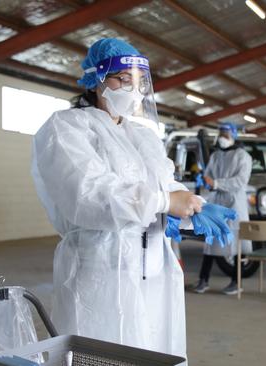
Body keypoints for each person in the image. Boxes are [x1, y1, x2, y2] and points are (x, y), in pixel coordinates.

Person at [31, 38, 201, 363]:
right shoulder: (66, 129)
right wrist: (164, 202)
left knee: (152, 348)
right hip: (100, 272)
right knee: (103, 353)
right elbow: (89, 194)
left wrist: (196, 206)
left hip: (152, 271)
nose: (131, 90)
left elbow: (165, 182)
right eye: (121, 80)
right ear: (97, 79)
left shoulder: (142, 135)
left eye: (136, 83)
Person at [194, 122, 252, 295]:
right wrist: (205, 182)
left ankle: (236, 281)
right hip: (217, 202)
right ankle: (203, 280)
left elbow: (240, 181)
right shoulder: (216, 155)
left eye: (225, 134)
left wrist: (217, 183)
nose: (222, 137)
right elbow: (209, 175)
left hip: (235, 203)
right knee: (210, 241)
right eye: (220, 133)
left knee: (235, 243)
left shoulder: (243, 156)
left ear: (234, 135)